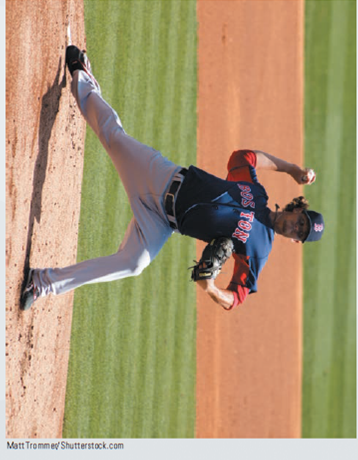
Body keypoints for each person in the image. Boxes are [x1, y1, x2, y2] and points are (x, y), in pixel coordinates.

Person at [21, 45, 325, 312]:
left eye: (301, 232)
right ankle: (82, 77)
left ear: (296, 241)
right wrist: (291, 169)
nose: (297, 226)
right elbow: (242, 158)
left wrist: (211, 288)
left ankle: (42, 283)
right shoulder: (256, 192)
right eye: (302, 219)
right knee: (113, 137)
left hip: (163, 223)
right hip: (163, 178)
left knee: (133, 263)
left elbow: (238, 296)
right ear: (297, 208)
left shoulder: (259, 250)